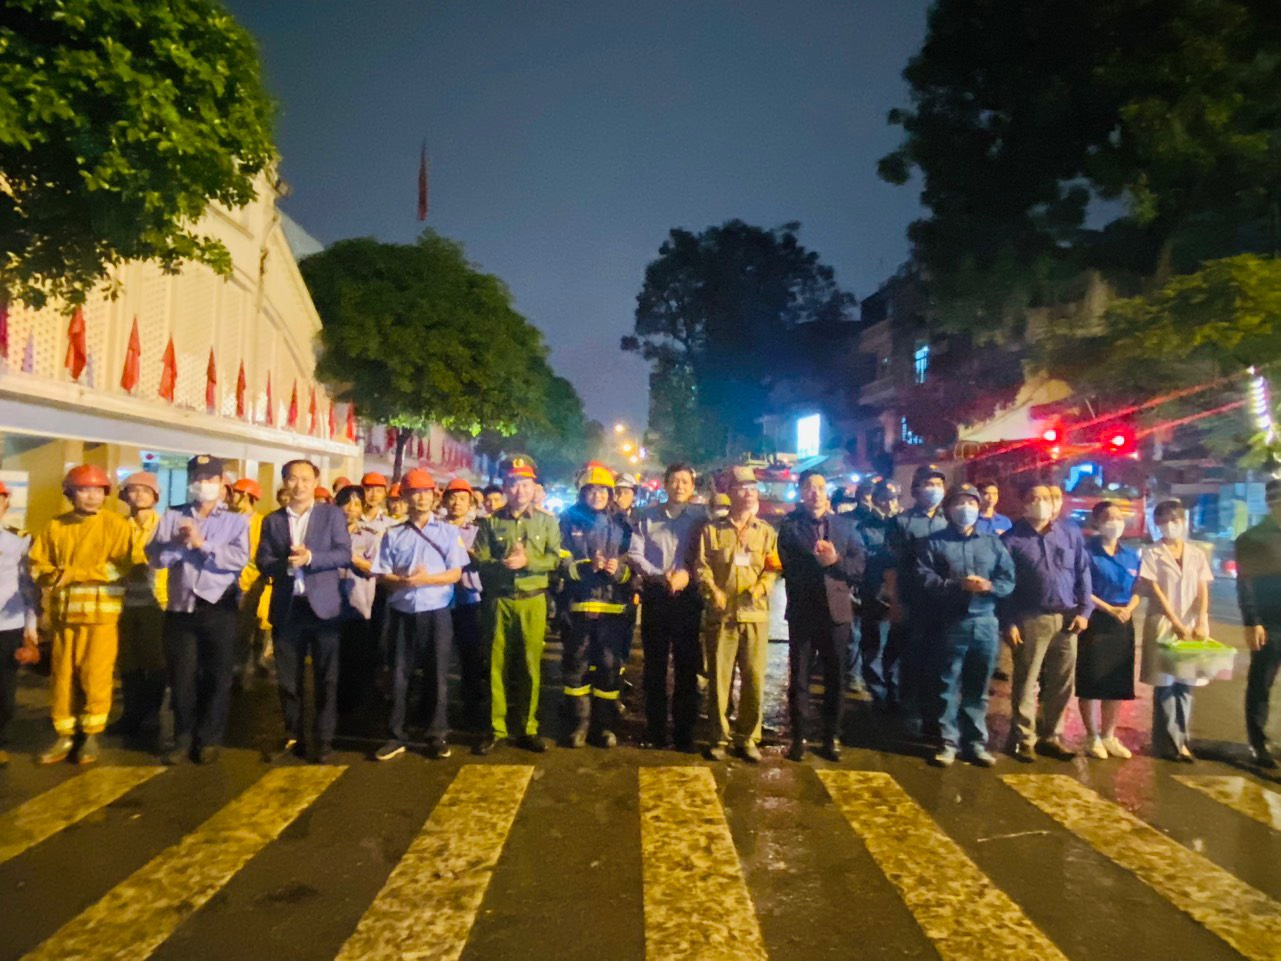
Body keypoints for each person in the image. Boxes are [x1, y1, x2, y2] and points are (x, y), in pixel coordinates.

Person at [29, 465, 138, 765]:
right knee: (62, 678)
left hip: (101, 617)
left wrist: (74, 573)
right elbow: (37, 565)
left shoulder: (117, 526)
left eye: (98, 491)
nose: (92, 497)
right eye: (84, 490)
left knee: (95, 676)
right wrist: (51, 577)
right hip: (64, 619)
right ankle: (64, 733)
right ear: (70, 493)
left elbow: (122, 567)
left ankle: (91, 734)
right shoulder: (54, 526)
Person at [148, 455, 250, 765]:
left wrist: (201, 544)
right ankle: (182, 737)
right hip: (181, 608)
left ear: (222, 483)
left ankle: (209, 738)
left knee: (217, 676)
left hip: (218, 608)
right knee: (182, 677)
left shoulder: (235, 520)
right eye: (197, 478)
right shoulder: (173, 515)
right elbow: (155, 557)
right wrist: (179, 545)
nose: (203, 484)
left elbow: (237, 559)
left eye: (209, 479)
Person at [257, 459, 353, 763]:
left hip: (323, 608)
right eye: (292, 479)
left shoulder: (331, 515)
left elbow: (343, 554)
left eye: (305, 479)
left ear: (315, 482)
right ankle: (294, 734)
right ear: (284, 482)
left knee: (327, 677)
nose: (298, 485)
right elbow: (262, 560)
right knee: (288, 679)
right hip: (288, 608)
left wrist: (311, 557)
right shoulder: (272, 520)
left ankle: (324, 739)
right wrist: (284, 564)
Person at [370, 468, 467, 761]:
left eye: (426, 492)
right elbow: (380, 572)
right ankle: (396, 734)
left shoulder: (449, 532)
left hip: (437, 612)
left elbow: (455, 573)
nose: (422, 497)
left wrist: (426, 580)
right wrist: (399, 580)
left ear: (434, 496)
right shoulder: (393, 534)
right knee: (399, 674)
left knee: (437, 674)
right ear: (406, 497)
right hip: (402, 611)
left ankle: (436, 733)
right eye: (415, 492)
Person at [917, 483, 1016, 767]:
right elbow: (925, 579)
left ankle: (974, 742)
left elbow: (1008, 579)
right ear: (948, 509)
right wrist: (957, 585)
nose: (966, 508)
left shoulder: (993, 542)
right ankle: (947, 741)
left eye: (970, 502)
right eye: (959, 503)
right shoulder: (933, 543)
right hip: (950, 621)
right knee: (946, 682)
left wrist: (990, 586)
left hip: (985, 622)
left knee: (979, 684)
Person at [472, 456, 562, 754]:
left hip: (532, 601)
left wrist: (528, 562)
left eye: (525, 484)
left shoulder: (547, 522)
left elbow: (554, 559)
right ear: (505, 487)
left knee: (529, 667)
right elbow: (480, 562)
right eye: (513, 484)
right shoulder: (491, 522)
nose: (519, 490)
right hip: (499, 601)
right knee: (495, 666)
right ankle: (496, 728)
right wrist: (504, 564)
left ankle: (528, 728)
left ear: (534, 487)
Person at [1000, 481, 1093, 762]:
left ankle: (1051, 735)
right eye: (1034, 497)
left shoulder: (1069, 533)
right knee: (1026, 682)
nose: (1042, 502)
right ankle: (1023, 738)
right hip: (1031, 618)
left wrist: (1084, 610)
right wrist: (1008, 622)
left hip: (1067, 619)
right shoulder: (1010, 540)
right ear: (1023, 503)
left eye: (1047, 498)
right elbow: (1004, 586)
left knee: (1062, 682)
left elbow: (1082, 571)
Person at [777, 470, 866, 761]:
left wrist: (835, 561)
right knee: (800, 678)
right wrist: (816, 561)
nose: (814, 492)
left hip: (837, 613)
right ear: (801, 493)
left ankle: (831, 737)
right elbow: (787, 567)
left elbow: (859, 568)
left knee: (835, 678)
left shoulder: (846, 527)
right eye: (809, 487)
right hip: (803, 611)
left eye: (819, 486)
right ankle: (799, 737)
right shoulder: (790, 527)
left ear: (827, 492)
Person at [696, 466, 781, 762]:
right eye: (743, 488)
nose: (749, 494)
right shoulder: (712, 531)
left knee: (754, 679)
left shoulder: (766, 532)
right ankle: (718, 736)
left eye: (753, 488)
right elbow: (701, 566)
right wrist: (712, 590)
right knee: (719, 681)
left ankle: (747, 738)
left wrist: (760, 588)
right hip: (721, 618)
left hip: (755, 616)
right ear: (730, 493)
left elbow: (773, 569)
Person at [629, 462, 705, 751]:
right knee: (654, 667)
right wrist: (659, 576)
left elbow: (707, 552)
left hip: (688, 599)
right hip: (656, 597)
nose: (680, 486)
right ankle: (655, 730)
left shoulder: (701, 517)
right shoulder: (647, 517)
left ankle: (685, 732)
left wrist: (687, 573)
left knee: (687, 667)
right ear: (665, 484)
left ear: (692, 486)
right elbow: (635, 554)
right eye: (675, 481)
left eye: (685, 481)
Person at [1139, 499, 1212, 762]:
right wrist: (1177, 624)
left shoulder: (1197, 553)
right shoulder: (1151, 553)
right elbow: (1155, 591)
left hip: (1193, 626)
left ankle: (1183, 740)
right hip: (1164, 624)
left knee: (1186, 685)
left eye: (1174, 519)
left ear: (1183, 521)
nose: (1169, 525)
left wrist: (1201, 620)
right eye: (1163, 520)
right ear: (1157, 525)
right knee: (1166, 686)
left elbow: (1203, 587)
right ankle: (1168, 743)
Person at [887, 465, 949, 732]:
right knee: (911, 657)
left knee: (940, 659)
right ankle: (908, 709)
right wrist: (896, 601)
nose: (933, 489)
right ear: (915, 489)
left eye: (938, 484)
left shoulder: (951, 521)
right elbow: (892, 564)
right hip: (913, 600)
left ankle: (934, 713)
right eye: (928, 484)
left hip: (944, 602)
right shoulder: (902, 522)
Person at [1077, 501, 1140, 760]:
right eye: (1108, 517)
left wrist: (1130, 607)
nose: (1114, 522)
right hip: (1096, 621)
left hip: (1123, 622)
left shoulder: (1131, 554)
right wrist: (1109, 609)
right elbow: (1082, 587)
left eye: (1118, 517)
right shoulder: (1086, 551)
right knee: (1091, 679)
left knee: (1117, 682)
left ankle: (1109, 735)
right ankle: (1092, 736)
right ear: (1096, 522)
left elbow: (1140, 587)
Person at [109, 472, 168, 747]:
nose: (139, 495)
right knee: (128, 662)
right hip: (121, 602)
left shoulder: (164, 526)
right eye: (133, 490)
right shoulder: (116, 526)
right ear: (125, 496)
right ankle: (130, 713)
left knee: (153, 660)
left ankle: (152, 714)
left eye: (146, 490)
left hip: (156, 603)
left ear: (155, 497)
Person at [1236, 478, 1281, 768]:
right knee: (1261, 684)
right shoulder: (1252, 539)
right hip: (1269, 623)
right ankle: (1258, 742)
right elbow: (1246, 583)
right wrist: (1252, 622)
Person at [442, 477, 488, 733]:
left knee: (471, 658)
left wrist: (464, 551)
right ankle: (437, 711)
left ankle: (472, 709)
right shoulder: (435, 527)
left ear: (470, 502)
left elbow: (482, 560)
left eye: (462, 498)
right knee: (437, 658)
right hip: (439, 600)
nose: (456, 502)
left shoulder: (479, 529)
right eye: (452, 497)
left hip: (470, 599)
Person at [0, 481, 39, 767]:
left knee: (4, 696)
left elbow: (28, 585)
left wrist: (31, 624)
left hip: (8, 625)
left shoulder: (18, 541)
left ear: (5, 504)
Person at [858, 479, 905, 710]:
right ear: (875, 499)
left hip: (902, 599)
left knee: (898, 651)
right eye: (884, 498)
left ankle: (896, 695)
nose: (889, 503)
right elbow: (860, 559)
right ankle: (878, 695)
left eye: (893, 498)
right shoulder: (864, 527)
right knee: (874, 649)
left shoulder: (903, 526)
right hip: (875, 598)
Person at [334, 485, 381, 719]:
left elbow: (377, 569)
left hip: (358, 606)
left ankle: (353, 708)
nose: (350, 508)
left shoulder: (370, 536)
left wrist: (352, 558)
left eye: (356, 503)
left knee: (355, 660)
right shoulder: (324, 534)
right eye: (346, 502)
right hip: (328, 607)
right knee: (332, 661)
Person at [231, 478, 272, 688]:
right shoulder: (228, 520)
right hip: (232, 582)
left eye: (236, 493)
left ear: (246, 496)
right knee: (237, 628)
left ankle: (254, 661)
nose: (232, 497)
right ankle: (237, 667)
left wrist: (249, 576)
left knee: (256, 624)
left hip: (254, 583)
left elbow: (261, 554)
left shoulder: (260, 523)